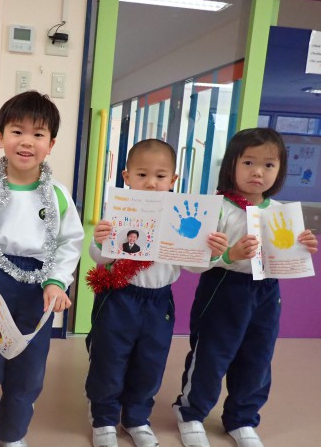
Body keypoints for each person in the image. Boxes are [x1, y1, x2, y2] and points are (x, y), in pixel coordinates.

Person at [0, 91, 84, 447]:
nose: (26, 141)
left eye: (38, 134)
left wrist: (57, 282)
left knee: (27, 374)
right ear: (0, 137)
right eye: (17, 131)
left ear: (50, 144)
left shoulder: (57, 195)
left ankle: (12, 435)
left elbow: (69, 242)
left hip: (38, 292)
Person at [172, 128, 318, 447]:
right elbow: (193, 261)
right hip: (224, 288)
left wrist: (301, 246)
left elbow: (284, 255)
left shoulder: (280, 212)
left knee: (258, 356)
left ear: (280, 170)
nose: (258, 172)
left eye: (269, 165)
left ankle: (242, 418)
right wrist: (228, 255)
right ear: (232, 165)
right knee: (211, 353)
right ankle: (191, 413)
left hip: (266, 292)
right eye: (249, 162)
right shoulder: (217, 208)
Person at [85, 139, 228, 447]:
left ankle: (136, 418)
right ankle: (104, 418)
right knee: (109, 359)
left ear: (173, 180)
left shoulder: (181, 216)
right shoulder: (118, 209)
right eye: (142, 174)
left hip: (158, 302)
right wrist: (99, 241)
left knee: (150, 363)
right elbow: (101, 257)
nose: (151, 183)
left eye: (160, 176)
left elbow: (193, 267)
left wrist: (211, 253)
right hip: (119, 296)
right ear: (126, 176)